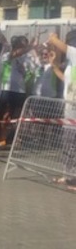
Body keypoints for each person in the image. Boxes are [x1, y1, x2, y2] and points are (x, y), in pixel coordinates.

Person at [47, 31, 76, 191]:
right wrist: (54, 66)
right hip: (70, 106)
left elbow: (62, 46)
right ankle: (67, 175)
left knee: (72, 143)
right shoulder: (72, 64)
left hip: (75, 107)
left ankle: (74, 178)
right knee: (68, 142)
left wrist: (53, 37)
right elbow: (66, 80)